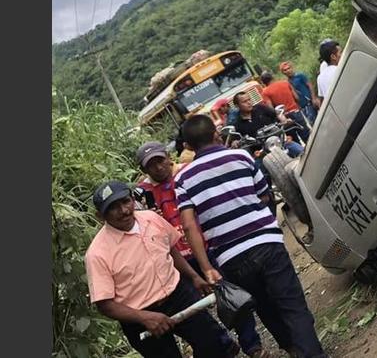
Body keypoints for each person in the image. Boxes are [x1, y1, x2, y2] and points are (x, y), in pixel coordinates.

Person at [175, 115, 329, 358]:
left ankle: (292, 349)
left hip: (229, 256)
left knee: (265, 305)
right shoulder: (240, 156)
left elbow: (188, 225)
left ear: (189, 146)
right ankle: (310, 353)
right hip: (265, 242)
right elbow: (265, 195)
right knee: (292, 305)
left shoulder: (183, 178)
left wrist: (206, 268)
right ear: (215, 134)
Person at [135, 142, 268, 358]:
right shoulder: (142, 195)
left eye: (160, 160)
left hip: (207, 246)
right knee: (196, 312)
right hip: (177, 260)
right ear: (144, 170)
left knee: (231, 295)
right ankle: (224, 343)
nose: (158, 167)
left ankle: (252, 345)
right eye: (152, 165)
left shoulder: (187, 174)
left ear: (168, 157)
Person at [84, 180, 235, 358]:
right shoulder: (97, 253)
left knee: (213, 344)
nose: (124, 211)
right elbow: (105, 305)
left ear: (133, 199)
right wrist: (144, 317)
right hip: (139, 317)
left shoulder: (151, 218)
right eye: (114, 208)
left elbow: (170, 249)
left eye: (126, 201)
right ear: (100, 216)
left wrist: (194, 277)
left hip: (179, 296)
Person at [260, 71, 310, 142]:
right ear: (272, 77)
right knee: (306, 135)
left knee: (293, 139)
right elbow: (296, 97)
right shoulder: (285, 83)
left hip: (284, 118)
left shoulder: (265, 92)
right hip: (296, 112)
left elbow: (271, 109)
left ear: (263, 82)